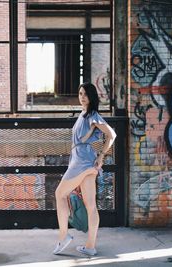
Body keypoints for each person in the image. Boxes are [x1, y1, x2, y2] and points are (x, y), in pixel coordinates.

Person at [53, 82, 117, 256]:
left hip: (82, 162)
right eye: (80, 93)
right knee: (90, 206)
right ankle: (90, 247)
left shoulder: (92, 115)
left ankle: (63, 236)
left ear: (92, 97)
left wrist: (102, 155)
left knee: (60, 194)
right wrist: (97, 157)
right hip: (86, 162)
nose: (82, 97)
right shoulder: (84, 114)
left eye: (85, 94)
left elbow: (112, 134)